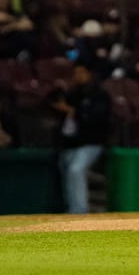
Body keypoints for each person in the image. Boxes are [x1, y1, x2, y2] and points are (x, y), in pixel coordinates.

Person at [49, 60, 112, 213]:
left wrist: (75, 113)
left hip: (92, 143)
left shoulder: (100, 95)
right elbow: (51, 103)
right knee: (67, 170)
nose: (78, 76)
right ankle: (72, 208)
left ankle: (80, 212)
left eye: (81, 73)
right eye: (76, 73)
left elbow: (98, 120)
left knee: (76, 169)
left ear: (90, 74)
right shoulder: (72, 94)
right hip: (71, 144)